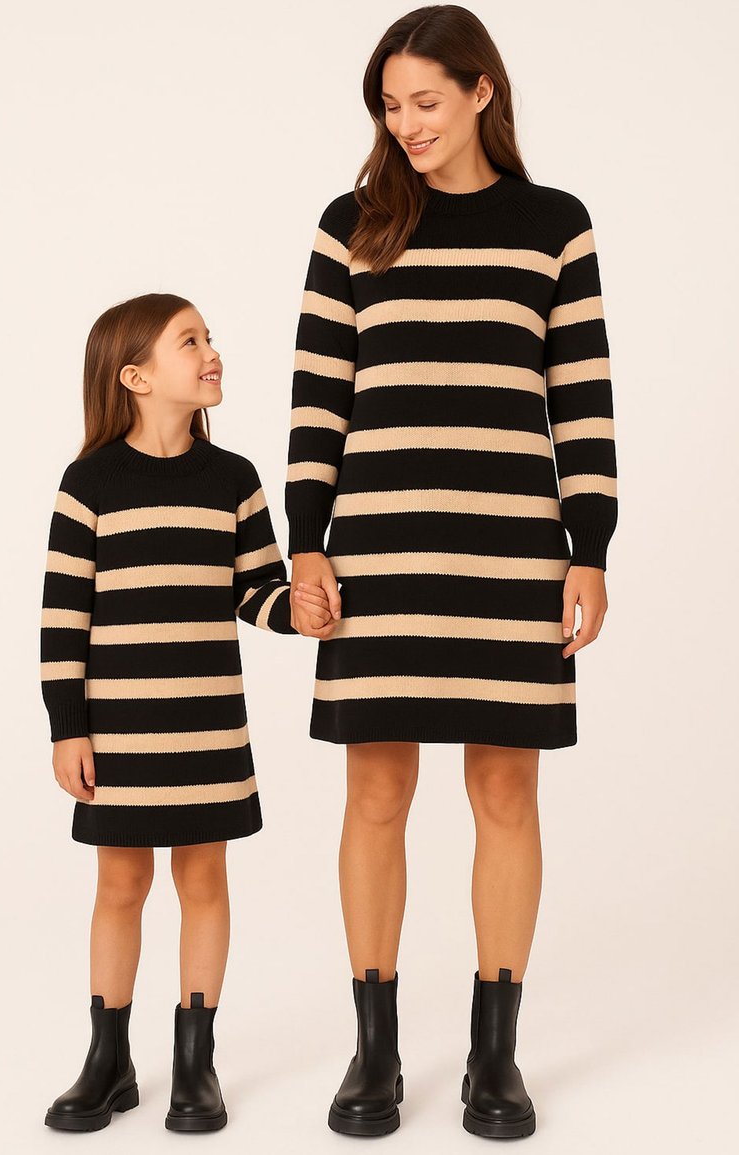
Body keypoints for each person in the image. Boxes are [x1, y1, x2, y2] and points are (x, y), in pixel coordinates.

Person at [286, 5, 618, 1139]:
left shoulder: (554, 225)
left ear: (483, 91)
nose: (406, 124)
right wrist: (306, 540)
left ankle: (494, 1057)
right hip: (377, 554)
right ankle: (373, 1053)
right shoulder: (352, 226)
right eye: (390, 106)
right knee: (375, 795)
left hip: (512, 554)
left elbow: (581, 401)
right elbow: (318, 400)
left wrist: (589, 549)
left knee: (506, 795)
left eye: (425, 100)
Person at [39, 292, 331, 1132]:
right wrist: (68, 726)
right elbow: (63, 618)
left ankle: (196, 1063)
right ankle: (108, 1060)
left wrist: (298, 610)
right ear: (135, 377)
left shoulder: (232, 478)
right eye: (189, 341)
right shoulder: (89, 483)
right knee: (120, 883)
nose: (211, 352)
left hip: (207, 727)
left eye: (209, 337)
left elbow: (254, 589)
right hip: (119, 730)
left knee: (203, 880)